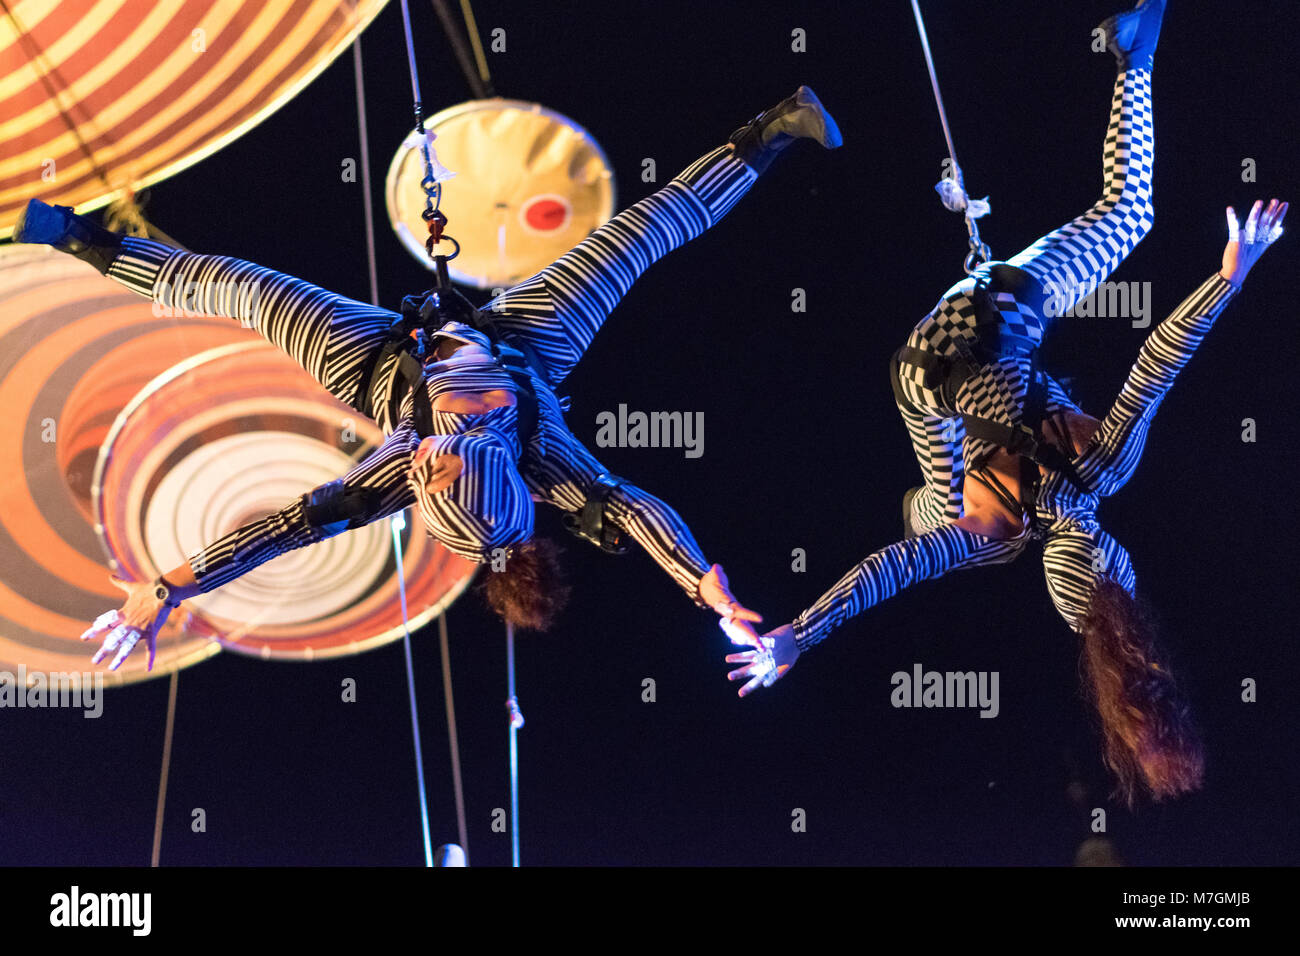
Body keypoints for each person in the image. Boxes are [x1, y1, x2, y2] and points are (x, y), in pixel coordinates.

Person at [14, 87, 842, 671]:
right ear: (492, 451)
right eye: (446, 456)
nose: (422, 459)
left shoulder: (399, 466)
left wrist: (162, 590)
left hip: (381, 365)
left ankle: (77, 241)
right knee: (637, 241)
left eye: (421, 469)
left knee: (240, 289)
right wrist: (705, 583)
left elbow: (283, 531)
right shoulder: (541, 451)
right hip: (524, 349)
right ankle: (773, 128)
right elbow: (631, 507)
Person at [727, 0, 1286, 807]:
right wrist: (795, 639)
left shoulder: (1094, 473)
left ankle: (1139, 55)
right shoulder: (1017, 523)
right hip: (951, 347)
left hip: (978, 329)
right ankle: (1137, 49)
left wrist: (1230, 275)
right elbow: (896, 567)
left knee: (1129, 214)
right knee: (937, 512)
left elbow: (1156, 365)